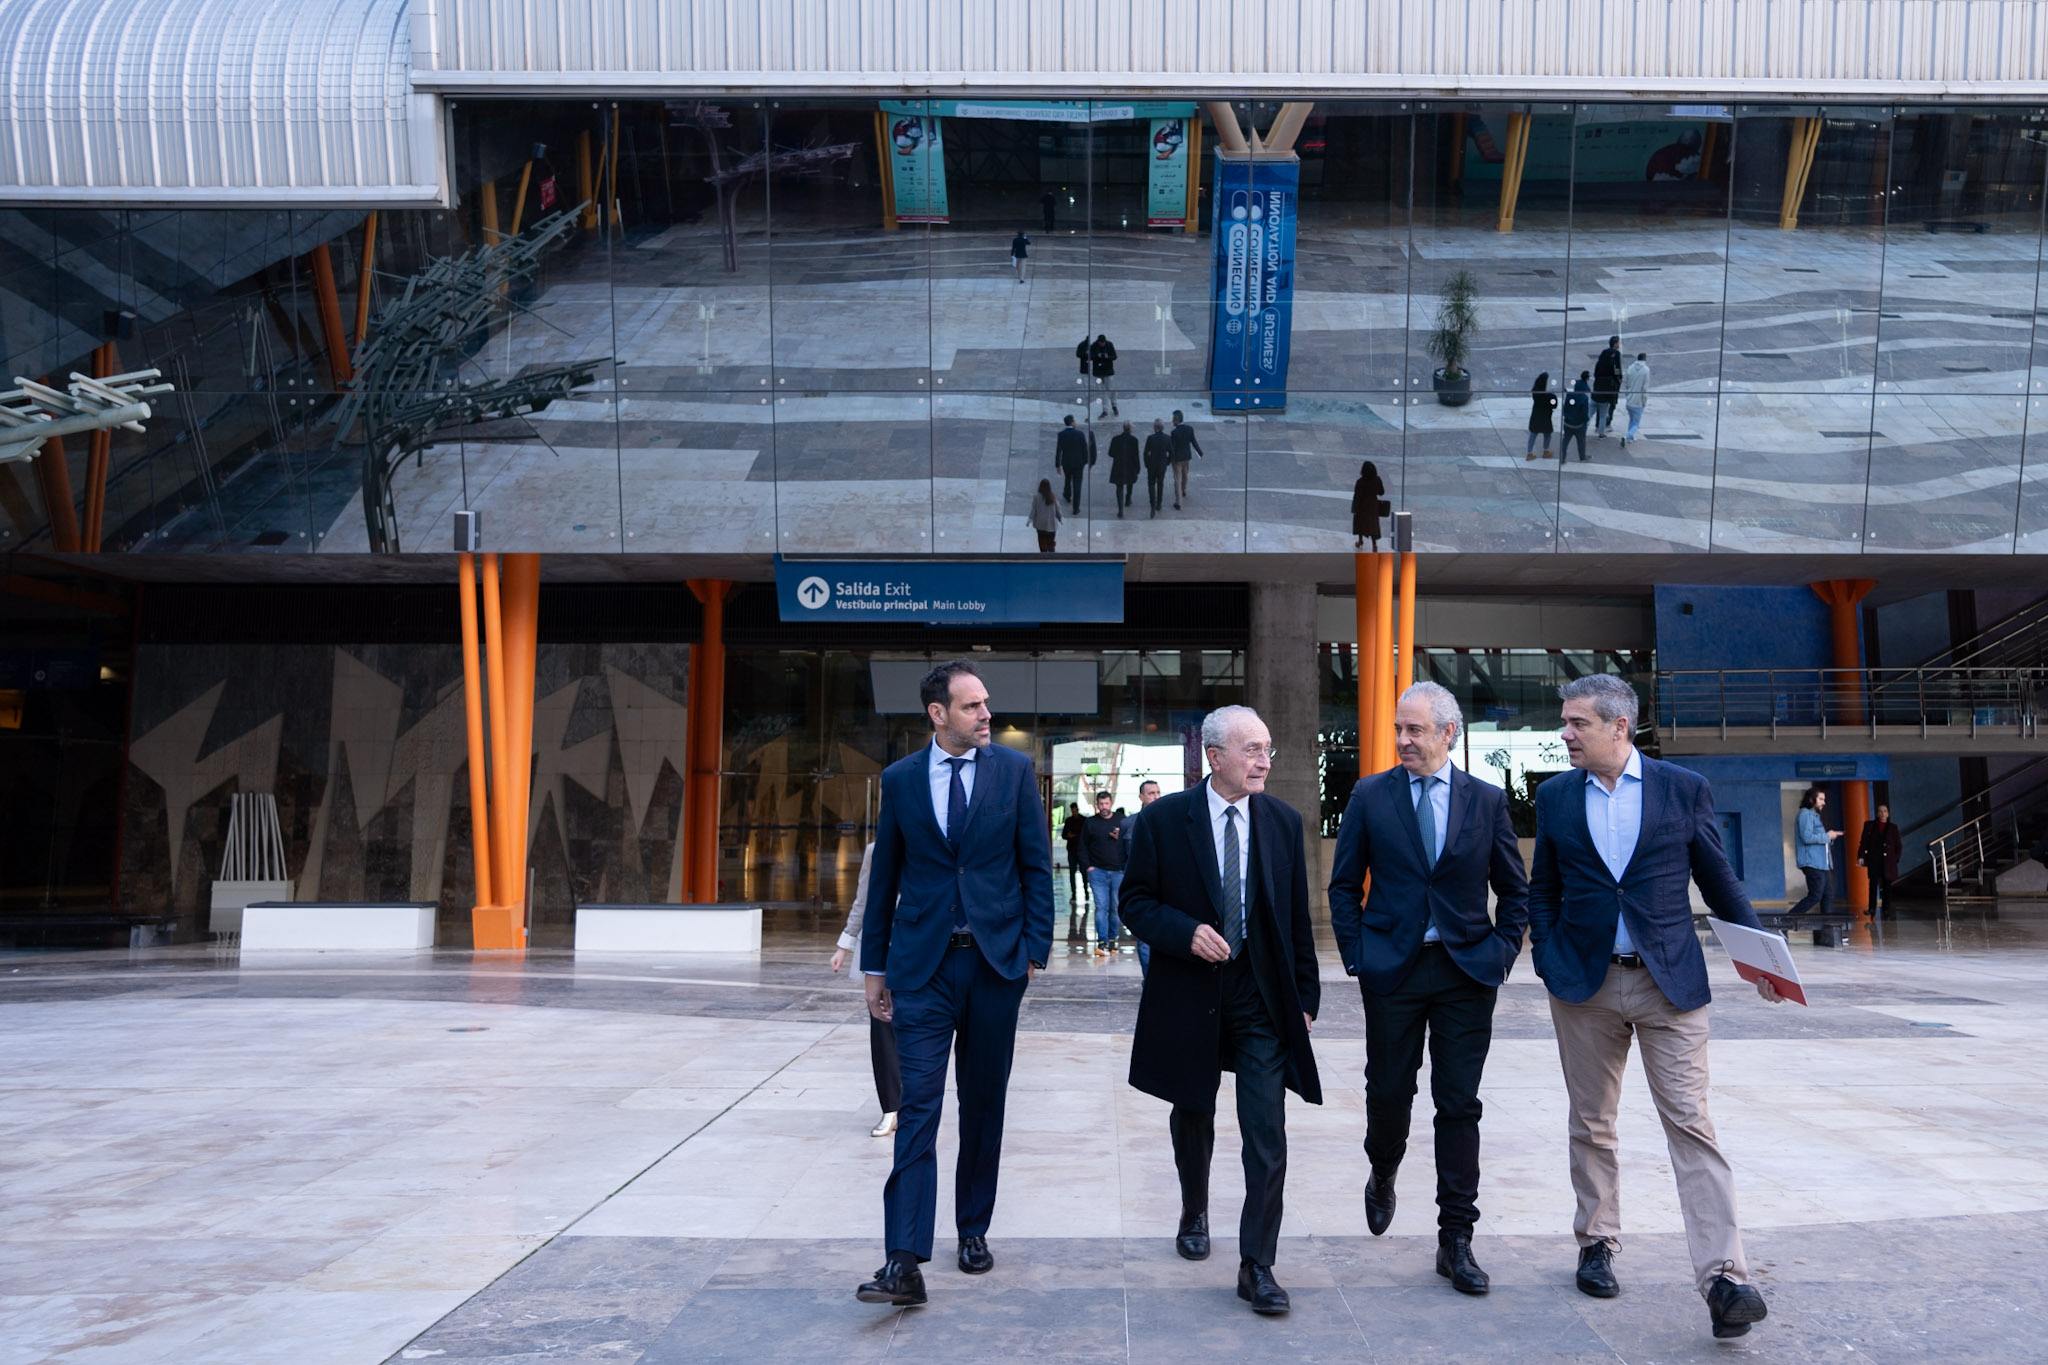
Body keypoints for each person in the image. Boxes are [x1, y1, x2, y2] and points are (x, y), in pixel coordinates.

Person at [1528, 674, 1777, 1342]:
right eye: (1565, 721)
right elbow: (1543, 887)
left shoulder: (1682, 788)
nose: (1565, 733)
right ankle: (1597, 1242)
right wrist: (1547, 956)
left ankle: (1726, 1278)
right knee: (1592, 1120)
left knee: (1691, 1122)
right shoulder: (1555, 796)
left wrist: (1762, 958)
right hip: (1584, 986)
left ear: (1619, 726)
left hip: (1670, 983)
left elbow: (1718, 879)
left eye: (1577, 722)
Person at [854, 660, 1054, 1309]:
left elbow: (1036, 864)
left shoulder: (1014, 772)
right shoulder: (901, 780)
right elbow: (885, 878)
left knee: (983, 1102)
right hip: (922, 968)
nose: (986, 714)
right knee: (918, 1106)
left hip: (996, 965)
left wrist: (1034, 952)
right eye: (972, 706)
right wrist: (874, 967)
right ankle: (903, 1259)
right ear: (938, 713)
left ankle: (972, 1229)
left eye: (985, 703)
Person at [1326, 682, 1530, 1297]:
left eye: (1414, 730)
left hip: (1466, 972)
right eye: (1399, 729)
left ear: (1448, 733)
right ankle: (1383, 1168)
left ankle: (1456, 1239)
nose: (1403, 740)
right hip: (1392, 970)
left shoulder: (1486, 801)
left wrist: (1501, 952)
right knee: (1389, 1090)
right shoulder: (1370, 795)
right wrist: (1358, 955)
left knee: (1458, 1103)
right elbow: (1344, 885)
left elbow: (1514, 890)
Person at [1121, 706, 1322, 1317]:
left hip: (1261, 997)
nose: (1264, 762)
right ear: (1214, 757)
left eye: (1268, 750)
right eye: (1252, 750)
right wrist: (1184, 933)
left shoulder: (1283, 821)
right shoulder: (1162, 820)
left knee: (1266, 1130)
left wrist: (1305, 997)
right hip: (1190, 993)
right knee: (1193, 1111)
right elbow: (1135, 902)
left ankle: (1257, 1264)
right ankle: (1194, 1208)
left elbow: (1296, 917)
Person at [831, 840, 902, 1138]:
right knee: (882, 1025)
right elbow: (863, 899)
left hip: (923, 950)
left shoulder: (934, 839)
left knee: (919, 1031)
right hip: (883, 949)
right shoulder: (876, 850)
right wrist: (844, 945)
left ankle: (914, 1106)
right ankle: (891, 1108)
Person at [1082, 789, 1129, 956]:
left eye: (1106, 803)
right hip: (1097, 872)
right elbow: (1082, 846)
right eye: (1101, 804)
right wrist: (1088, 867)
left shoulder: (1121, 820)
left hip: (1118, 872)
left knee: (1115, 907)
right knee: (1101, 906)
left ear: (1111, 803)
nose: (1104, 807)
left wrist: (1119, 838)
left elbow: (1129, 842)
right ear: (1097, 805)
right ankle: (1102, 942)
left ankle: (1112, 940)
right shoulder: (1090, 822)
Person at [1789, 788, 1840, 915]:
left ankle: (1827, 926)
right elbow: (1806, 837)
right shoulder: (1805, 814)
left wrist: (1830, 837)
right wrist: (1828, 836)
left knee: (1828, 895)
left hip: (1822, 864)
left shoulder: (1814, 816)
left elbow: (1818, 839)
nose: (1824, 803)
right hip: (1812, 863)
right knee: (1815, 895)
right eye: (1821, 799)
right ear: (1811, 799)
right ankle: (1787, 920)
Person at [1134, 779, 1161, 974]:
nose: (1156, 797)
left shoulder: (1171, 821)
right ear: (1141, 797)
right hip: (1141, 887)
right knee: (1144, 936)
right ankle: (1148, 978)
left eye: (1158, 792)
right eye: (1151, 793)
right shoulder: (1130, 823)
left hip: (1165, 887)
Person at [1856, 802, 1902, 917]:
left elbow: (1898, 846)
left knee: (1887, 885)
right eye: (1880, 811)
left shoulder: (1893, 828)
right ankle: (1871, 908)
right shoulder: (1869, 826)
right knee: (1873, 885)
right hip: (1874, 860)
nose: (1882, 814)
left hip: (1888, 862)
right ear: (1877, 813)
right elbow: (1863, 843)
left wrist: (1895, 859)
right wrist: (1861, 856)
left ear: (1888, 814)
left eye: (1885, 811)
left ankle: (1886, 908)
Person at [1062, 801, 1091, 936]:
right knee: (1072, 873)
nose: (1074, 812)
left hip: (1081, 850)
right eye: (1072, 811)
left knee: (1084, 873)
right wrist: (1068, 836)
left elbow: (1087, 836)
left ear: (1077, 810)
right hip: (1072, 851)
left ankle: (1085, 892)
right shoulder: (1069, 821)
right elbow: (1064, 835)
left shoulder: (1084, 821)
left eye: (1075, 810)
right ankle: (1074, 894)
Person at [1054, 414, 1093, 514]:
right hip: (1078, 463)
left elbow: (1058, 451)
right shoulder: (1080, 434)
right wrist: (1086, 461)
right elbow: (1085, 449)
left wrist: (1057, 465)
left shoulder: (1061, 434)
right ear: (1072, 422)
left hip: (1066, 463)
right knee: (1077, 484)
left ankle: (1067, 495)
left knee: (1068, 478)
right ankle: (1076, 508)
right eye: (1074, 421)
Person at [1169, 409, 1204, 509]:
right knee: (1185, 475)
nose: (1172, 421)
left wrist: (1169, 459)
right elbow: (1194, 442)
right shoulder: (1189, 429)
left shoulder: (1174, 433)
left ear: (1177, 420)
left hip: (1177, 460)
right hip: (1187, 457)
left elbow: (1172, 448)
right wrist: (1200, 452)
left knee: (1177, 479)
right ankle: (1183, 490)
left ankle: (1178, 502)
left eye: (1173, 419)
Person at [1108, 421, 1141, 516]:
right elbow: (1136, 456)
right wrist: (1138, 468)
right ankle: (1128, 499)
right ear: (1130, 429)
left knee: (1119, 487)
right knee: (1130, 483)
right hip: (1130, 466)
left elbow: (1110, 453)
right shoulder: (1134, 440)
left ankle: (1120, 510)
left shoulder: (1115, 439)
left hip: (1118, 466)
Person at [1593, 336, 1624, 439]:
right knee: (1611, 404)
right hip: (1611, 385)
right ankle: (1607, 422)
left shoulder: (1603, 354)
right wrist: (1619, 378)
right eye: (1618, 342)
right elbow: (1617, 368)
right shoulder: (1616, 355)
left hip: (1600, 385)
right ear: (1615, 343)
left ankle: (1598, 424)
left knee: (1600, 403)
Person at [1352, 460, 1385, 550]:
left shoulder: (1360, 482)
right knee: (1373, 524)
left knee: (1360, 523)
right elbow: (1382, 492)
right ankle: (1374, 544)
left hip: (1362, 506)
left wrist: (1355, 507)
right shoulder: (1377, 480)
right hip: (1373, 505)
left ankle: (1360, 541)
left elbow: (1357, 496)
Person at [1143, 418, 1172, 516]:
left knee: (1151, 484)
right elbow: (1171, 453)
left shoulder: (1151, 438)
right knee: (1160, 484)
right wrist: (1167, 462)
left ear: (1155, 427)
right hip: (1162, 466)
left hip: (1152, 465)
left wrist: (1147, 464)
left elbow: (1145, 453)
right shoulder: (1168, 438)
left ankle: (1152, 506)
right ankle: (1159, 504)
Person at [1561, 372, 1592, 463]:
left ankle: (1562, 458)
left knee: (1565, 440)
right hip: (1579, 425)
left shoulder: (1569, 395)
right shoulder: (1584, 398)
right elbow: (1584, 413)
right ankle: (1582, 457)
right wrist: (1585, 421)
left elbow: (1565, 408)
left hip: (1568, 423)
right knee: (1581, 441)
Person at [1621, 352, 1650, 447]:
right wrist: (1644, 401)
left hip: (1629, 400)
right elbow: (1644, 388)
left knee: (1631, 420)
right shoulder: (1646, 370)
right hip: (1638, 401)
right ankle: (1626, 436)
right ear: (1644, 358)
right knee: (1636, 423)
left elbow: (1626, 382)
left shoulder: (1630, 368)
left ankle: (1630, 438)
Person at [1526, 372, 1557, 460]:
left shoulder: (1535, 393)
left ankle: (1529, 453)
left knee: (1533, 434)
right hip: (1545, 418)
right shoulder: (1549, 396)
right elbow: (1554, 405)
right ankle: (1546, 451)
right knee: (1547, 434)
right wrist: (1553, 396)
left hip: (1535, 416)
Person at [1026, 478, 1062, 553]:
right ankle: (1052, 556)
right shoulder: (1053, 497)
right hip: (1051, 524)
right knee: (1051, 544)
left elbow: (1034, 510)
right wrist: (1060, 518)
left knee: (1042, 543)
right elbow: (1058, 509)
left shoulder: (1036, 497)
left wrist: (1030, 520)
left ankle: (1043, 556)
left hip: (1040, 525)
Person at [1090, 334, 1120, 417]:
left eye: (1104, 343)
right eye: (1101, 343)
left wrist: (1108, 357)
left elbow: (1115, 356)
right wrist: (1097, 356)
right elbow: (1090, 357)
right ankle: (1105, 410)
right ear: (1098, 342)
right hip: (1098, 372)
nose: (1103, 345)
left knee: (1111, 389)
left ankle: (1114, 405)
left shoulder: (1109, 345)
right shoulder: (1093, 346)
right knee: (1102, 392)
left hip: (1108, 371)